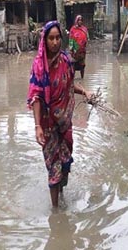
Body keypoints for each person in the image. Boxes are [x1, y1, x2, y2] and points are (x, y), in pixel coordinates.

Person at [27, 20, 92, 208]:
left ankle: (62, 194)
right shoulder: (39, 66)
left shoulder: (65, 61)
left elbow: (70, 85)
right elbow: (36, 97)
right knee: (53, 166)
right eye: (51, 38)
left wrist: (85, 92)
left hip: (65, 123)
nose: (55, 42)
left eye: (57, 38)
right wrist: (38, 126)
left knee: (65, 163)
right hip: (47, 126)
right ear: (44, 40)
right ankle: (56, 212)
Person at [69, 15, 89, 79]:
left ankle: (82, 78)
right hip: (75, 50)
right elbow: (71, 39)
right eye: (79, 20)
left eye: (81, 20)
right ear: (76, 21)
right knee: (74, 65)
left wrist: (85, 45)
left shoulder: (84, 29)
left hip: (82, 50)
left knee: (82, 65)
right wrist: (71, 48)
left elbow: (87, 38)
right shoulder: (73, 29)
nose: (80, 21)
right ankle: (73, 79)